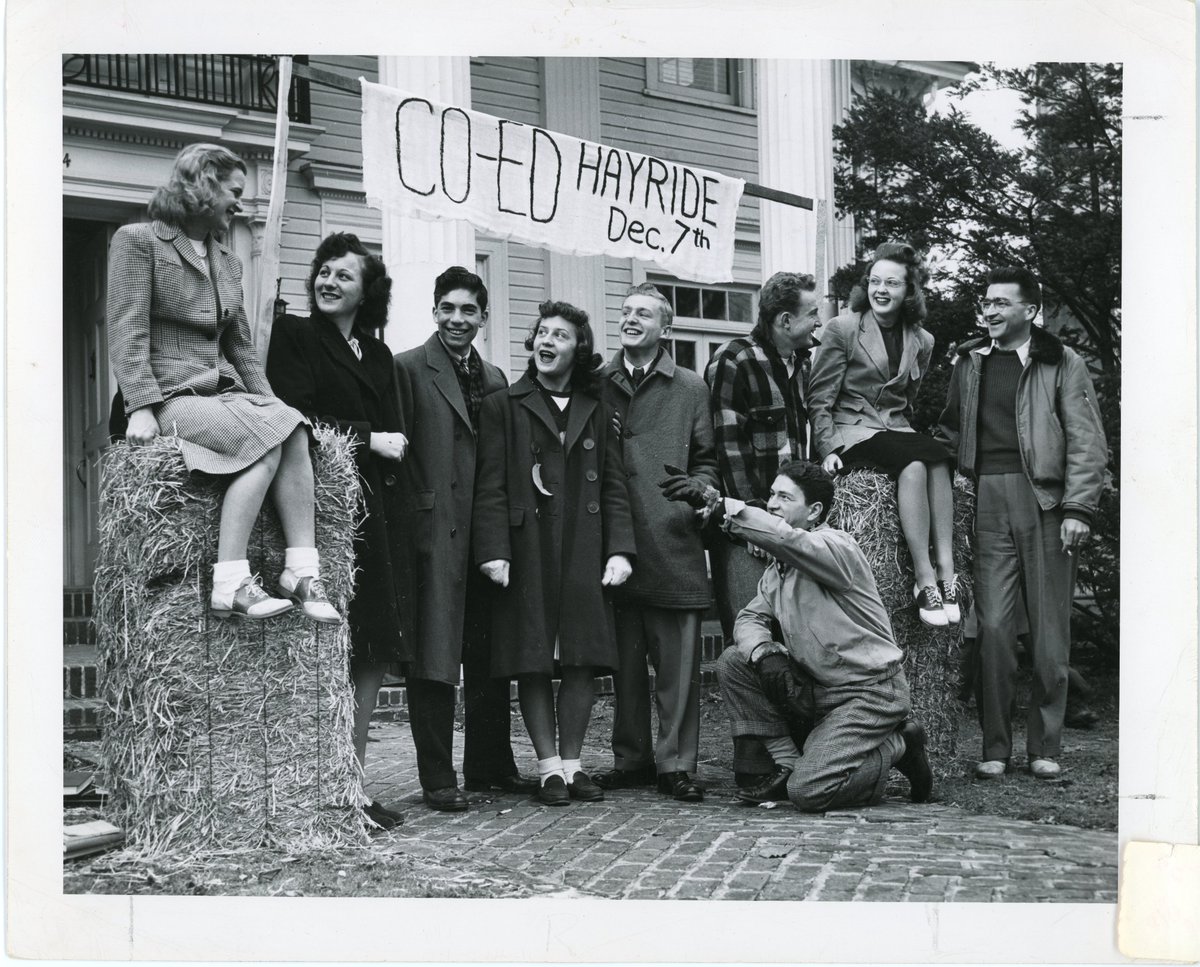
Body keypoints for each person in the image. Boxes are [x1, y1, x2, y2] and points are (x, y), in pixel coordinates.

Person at [107, 142, 337, 625]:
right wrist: (140, 405)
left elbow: (240, 347)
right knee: (264, 443)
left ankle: (301, 571)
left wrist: (274, 406)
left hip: (222, 392)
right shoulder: (138, 241)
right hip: (171, 395)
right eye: (234, 191)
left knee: (289, 428)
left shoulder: (228, 261)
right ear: (204, 185)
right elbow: (127, 328)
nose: (239, 201)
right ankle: (229, 582)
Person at [265, 232, 414, 830]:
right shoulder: (296, 337)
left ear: (366, 291)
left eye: (343, 276)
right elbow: (289, 416)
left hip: (375, 516)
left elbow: (399, 437)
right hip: (317, 512)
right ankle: (318, 788)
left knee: (372, 645)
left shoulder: (377, 356)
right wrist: (365, 436)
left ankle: (351, 786)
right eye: (323, 271)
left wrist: (384, 444)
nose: (328, 281)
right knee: (323, 651)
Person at [936, 266, 1107, 780]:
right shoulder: (968, 362)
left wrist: (1078, 508)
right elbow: (949, 429)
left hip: (1047, 505)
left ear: (1029, 311)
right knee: (991, 629)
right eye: (984, 302)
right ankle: (995, 747)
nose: (988, 310)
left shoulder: (1062, 361)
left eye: (1000, 303)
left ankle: (1044, 747)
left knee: (1051, 634)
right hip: (986, 498)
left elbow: (1086, 440)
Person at [689, 460, 932, 810]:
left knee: (809, 792)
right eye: (771, 494)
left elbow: (788, 539)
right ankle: (788, 766)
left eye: (784, 497)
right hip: (820, 690)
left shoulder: (836, 547)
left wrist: (723, 506)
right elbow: (748, 618)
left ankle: (900, 748)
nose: (772, 504)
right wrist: (764, 651)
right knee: (734, 661)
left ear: (814, 510)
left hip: (869, 693)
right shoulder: (778, 571)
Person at [473, 301, 636, 806]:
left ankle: (573, 765)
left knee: (582, 658)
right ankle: (547, 770)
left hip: (584, 547)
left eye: (560, 336)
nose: (547, 342)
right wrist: (494, 549)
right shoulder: (505, 403)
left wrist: (620, 549)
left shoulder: (598, 405)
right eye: (542, 333)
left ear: (578, 348)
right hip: (529, 548)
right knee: (534, 657)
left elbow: (612, 484)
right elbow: (491, 485)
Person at [392, 266, 536, 813]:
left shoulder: (496, 377)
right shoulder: (408, 368)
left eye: (468, 310)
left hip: (488, 535)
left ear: (483, 316)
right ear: (434, 312)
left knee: (488, 652)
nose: (457, 319)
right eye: (447, 308)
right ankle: (437, 777)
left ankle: (489, 765)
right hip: (433, 532)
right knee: (434, 656)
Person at [592, 284, 719, 803]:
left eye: (643, 313)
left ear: (665, 327)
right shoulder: (597, 382)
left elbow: (708, 459)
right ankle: (631, 760)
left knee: (677, 668)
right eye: (624, 312)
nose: (630, 319)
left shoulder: (690, 387)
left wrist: (702, 492)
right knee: (624, 665)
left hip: (673, 542)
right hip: (615, 544)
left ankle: (675, 764)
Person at [704, 271, 821, 786]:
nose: (819, 321)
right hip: (747, 529)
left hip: (789, 530)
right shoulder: (735, 360)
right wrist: (759, 525)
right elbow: (727, 450)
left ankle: (790, 757)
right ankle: (753, 760)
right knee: (749, 640)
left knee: (787, 637)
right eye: (812, 313)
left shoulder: (800, 361)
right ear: (784, 319)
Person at [807, 241, 959, 628]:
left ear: (909, 291)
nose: (881, 290)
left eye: (892, 283)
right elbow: (819, 399)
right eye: (875, 281)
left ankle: (947, 573)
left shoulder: (922, 340)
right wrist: (826, 447)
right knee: (912, 461)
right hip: (852, 430)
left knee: (937, 458)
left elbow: (907, 399)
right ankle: (923, 579)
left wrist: (904, 428)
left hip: (893, 428)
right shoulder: (842, 328)